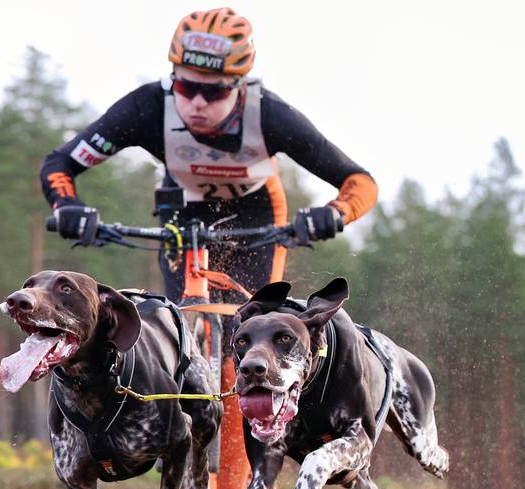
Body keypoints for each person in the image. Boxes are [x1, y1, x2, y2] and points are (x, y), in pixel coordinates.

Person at [40, 7, 379, 302]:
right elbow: (61, 163)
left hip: (257, 214)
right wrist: (69, 206)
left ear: (239, 86)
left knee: (251, 326)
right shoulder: (147, 108)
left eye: (213, 91)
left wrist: (335, 212)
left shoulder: (270, 116)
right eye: (186, 87)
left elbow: (359, 182)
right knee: (178, 327)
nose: (197, 103)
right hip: (184, 211)